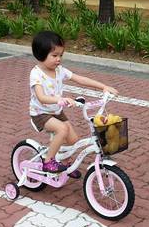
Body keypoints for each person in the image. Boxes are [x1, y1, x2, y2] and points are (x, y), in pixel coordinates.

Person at [29, 31, 118, 176]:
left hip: (56, 112)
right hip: (41, 113)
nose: (58, 59)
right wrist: (59, 100)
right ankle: (48, 162)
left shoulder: (60, 70)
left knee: (73, 140)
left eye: (61, 55)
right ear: (40, 54)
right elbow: (41, 97)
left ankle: (65, 164)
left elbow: (80, 79)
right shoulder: (36, 74)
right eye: (54, 55)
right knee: (62, 130)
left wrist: (103, 87)